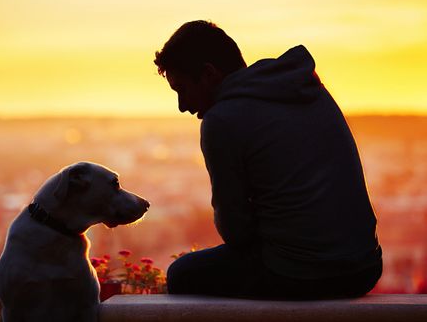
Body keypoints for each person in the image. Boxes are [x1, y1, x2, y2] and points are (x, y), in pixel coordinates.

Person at [154, 20, 382, 299]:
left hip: (301, 276)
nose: (182, 106)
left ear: (209, 74)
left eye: (182, 89)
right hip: (366, 268)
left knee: (181, 274)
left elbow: (236, 232)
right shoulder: (308, 89)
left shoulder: (222, 120)